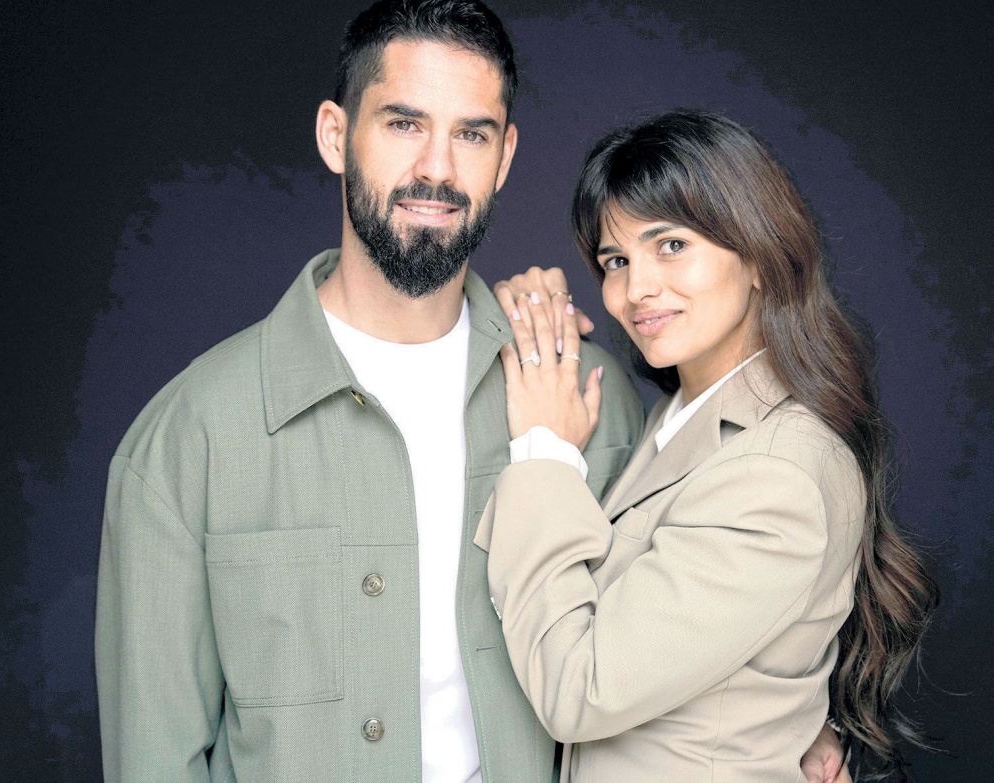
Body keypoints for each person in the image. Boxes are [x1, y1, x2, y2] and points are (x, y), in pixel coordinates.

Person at [94, 0, 847, 779]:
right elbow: (154, 754)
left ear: (506, 155)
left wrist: (796, 728)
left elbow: (704, 629)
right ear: (334, 135)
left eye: (472, 134)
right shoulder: (190, 436)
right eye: (403, 124)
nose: (438, 169)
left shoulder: (589, 401)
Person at [478, 110, 936, 781]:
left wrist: (544, 451)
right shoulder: (680, 415)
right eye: (616, 260)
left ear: (759, 254)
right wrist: (528, 316)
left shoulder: (774, 471)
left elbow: (580, 690)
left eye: (671, 245)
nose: (636, 290)